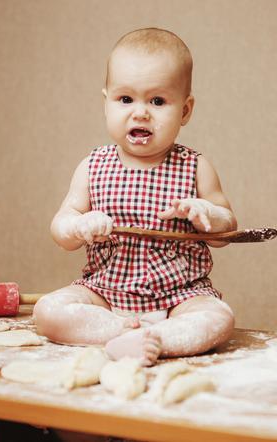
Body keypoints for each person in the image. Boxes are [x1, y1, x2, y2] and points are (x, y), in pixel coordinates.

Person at [33, 27, 236, 366]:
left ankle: (158, 338)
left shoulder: (196, 167)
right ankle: (119, 332)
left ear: (185, 111)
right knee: (48, 311)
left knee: (218, 317)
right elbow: (61, 229)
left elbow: (227, 229)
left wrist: (209, 215)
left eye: (157, 101)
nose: (140, 112)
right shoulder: (92, 166)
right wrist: (79, 224)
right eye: (126, 99)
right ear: (106, 103)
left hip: (179, 297)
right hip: (105, 293)